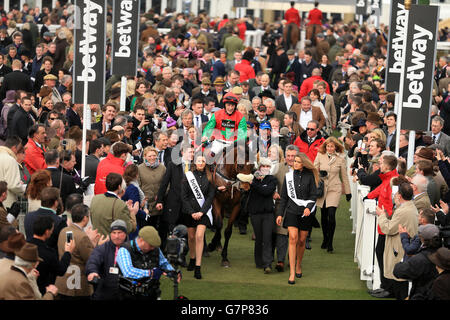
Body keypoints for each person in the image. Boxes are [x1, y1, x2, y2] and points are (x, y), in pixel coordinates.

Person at [276, 152, 318, 284]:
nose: (295, 163)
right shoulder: (288, 176)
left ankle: (298, 264)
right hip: (292, 211)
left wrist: (308, 207)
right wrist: (280, 214)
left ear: (303, 164)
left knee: (302, 240)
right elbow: (284, 198)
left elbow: (313, 195)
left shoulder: (310, 176)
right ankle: (292, 272)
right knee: (293, 237)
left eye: (298, 162)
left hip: (306, 212)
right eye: (294, 161)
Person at [375, 182, 419, 300]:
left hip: (400, 248)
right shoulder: (410, 207)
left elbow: (388, 228)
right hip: (403, 246)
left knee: (400, 281)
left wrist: (381, 215)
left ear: (399, 195)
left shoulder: (403, 210)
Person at [55, 204, 108, 300]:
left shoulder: (64, 230)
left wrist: (89, 241)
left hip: (63, 281)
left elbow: (73, 252)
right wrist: (97, 246)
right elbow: (91, 258)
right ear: (85, 218)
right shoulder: (82, 236)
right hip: (77, 284)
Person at [116, 226, 180, 300]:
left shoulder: (155, 248)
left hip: (151, 292)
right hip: (128, 294)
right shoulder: (124, 250)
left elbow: (164, 263)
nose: (153, 248)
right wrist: (151, 273)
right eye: (151, 245)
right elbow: (128, 272)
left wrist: (172, 272)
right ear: (142, 240)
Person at [314, 137, 351, 253]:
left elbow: (344, 176)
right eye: (328, 146)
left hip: (335, 189)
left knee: (331, 214)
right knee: (324, 216)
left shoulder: (340, 159)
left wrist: (348, 192)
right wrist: (320, 174)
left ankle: (330, 242)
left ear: (336, 147)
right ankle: (325, 238)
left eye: (332, 146)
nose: (329, 148)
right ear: (325, 147)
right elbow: (314, 169)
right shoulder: (320, 155)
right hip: (322, 189)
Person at [181, 155, 215, 279]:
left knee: (199, 236)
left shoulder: (210, 177)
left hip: (203, 212)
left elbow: (210, 197)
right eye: (199, 161)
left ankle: (198, 266)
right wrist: (191, 212)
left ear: (206, 163)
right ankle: (192, 258)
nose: (201, 163)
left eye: (203, 161)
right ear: (195, 162)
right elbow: (183, 196)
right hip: (189, 212)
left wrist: (201, 212)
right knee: (191, 237)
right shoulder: (188, 176)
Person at [28, 215, 74, 296]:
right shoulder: (48, 253)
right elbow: (61, 270)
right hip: (42, 291)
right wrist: (68, 252)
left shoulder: (24, 244)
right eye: (52, 229)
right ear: (47, 232)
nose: (52, 232)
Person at [393, 224, 442, 300]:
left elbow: (398, 271)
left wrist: (404, 237)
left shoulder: (421, 259)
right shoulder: (444, 254)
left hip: (422, 295)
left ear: (422, 239)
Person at [86, 220, 129, 300]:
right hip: (104, 292)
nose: (116, 236)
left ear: (125, 234)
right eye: (114, 233)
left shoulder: (131, 249)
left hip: (125, 293)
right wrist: (92, 272)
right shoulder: (102, 248)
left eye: (119, 232)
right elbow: (93, 261)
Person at [247, 157, 277, 273]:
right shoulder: (253, 178)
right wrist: (254, 183)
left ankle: (267, 264)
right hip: (255, 213)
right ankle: (259, 261)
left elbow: (267, 191)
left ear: (270, 168)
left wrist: (254, 185)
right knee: (259, 238)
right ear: (259, 167)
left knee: (267, 238)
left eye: (267, 166)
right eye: (263, 166)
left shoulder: (272, 180)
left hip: (268, 213)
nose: (265, 168)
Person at [90, 172, 138, 237]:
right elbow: (129, 228)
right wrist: (132, 213)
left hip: (96, 240)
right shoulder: (120, 204)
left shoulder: (95, 199)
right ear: (119, 186)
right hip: (111, 243)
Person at [24, 187, 67, 252]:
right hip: (50, 259)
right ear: (56, 203)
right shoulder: (60, 222)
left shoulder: (28, 216)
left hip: (30, 255)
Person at [138, 147, 166, 234]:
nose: (152, 158)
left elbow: (166, 184)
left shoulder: (162, 168)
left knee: (159, 231)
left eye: (154, 155)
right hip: (146, 205)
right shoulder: (139, 169)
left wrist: (162, 196)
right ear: (145, 156)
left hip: (159, 204)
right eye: (150, 156)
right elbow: (138, 186)